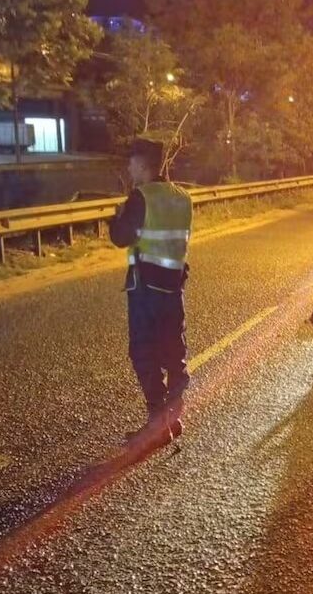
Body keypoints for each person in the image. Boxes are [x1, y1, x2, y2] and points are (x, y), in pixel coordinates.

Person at [110, 138, 193, 448]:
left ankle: (158, 420)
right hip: (173, 286)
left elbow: (122, 237)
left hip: (145, 287)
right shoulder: (183, 197)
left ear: (143, 164)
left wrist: (116, 218)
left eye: (131, 162)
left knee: (144, 352)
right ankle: (173, 416)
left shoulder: (140, 197)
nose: (128, 168)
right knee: (173, 351)